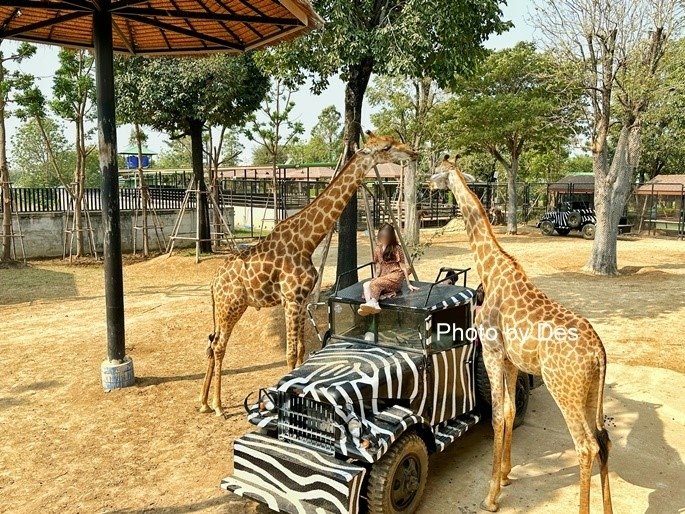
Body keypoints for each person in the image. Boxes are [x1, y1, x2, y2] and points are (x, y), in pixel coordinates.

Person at [358, 223, 418, 316]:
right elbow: (377, 265)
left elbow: (403, 266)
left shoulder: (397, 248)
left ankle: (373, 303)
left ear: (391, 237)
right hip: (383, 278)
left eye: (386, 236)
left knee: (375, 283)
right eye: (382, 236)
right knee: (366, 285)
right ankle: (371, 306)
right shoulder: (378, 249)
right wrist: (375, 277)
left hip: (395, 277)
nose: (384, 238)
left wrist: (408, 284)